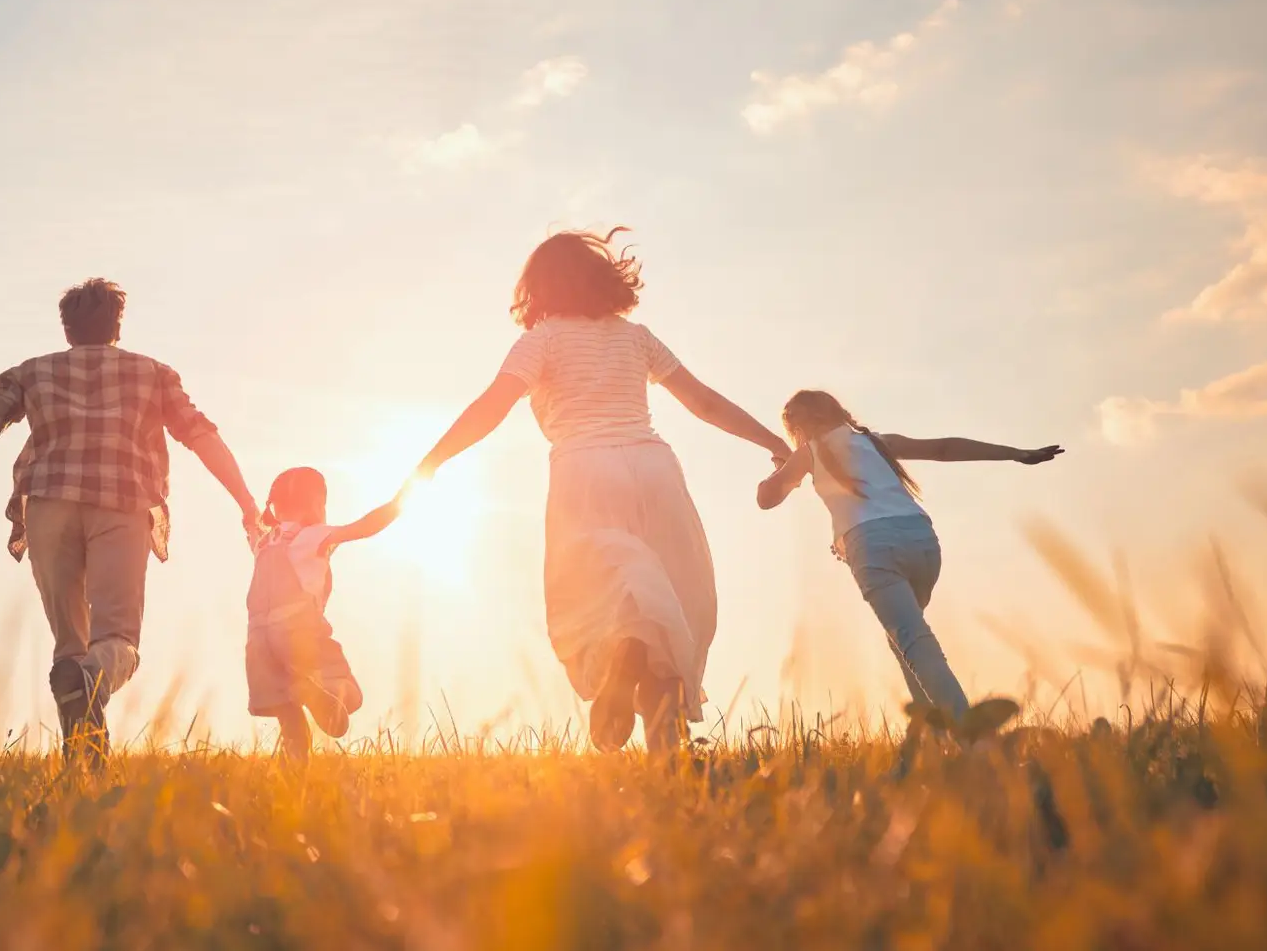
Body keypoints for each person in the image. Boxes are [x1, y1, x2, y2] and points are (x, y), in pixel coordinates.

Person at [413, 229, 789, 753]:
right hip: (655, 468)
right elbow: (703, 402)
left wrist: (432, 462)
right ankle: (667, 755)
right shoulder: (636, 338)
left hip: (584, 469)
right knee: (671, 601)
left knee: (603, 595)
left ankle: (625, 657)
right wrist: (775, 443)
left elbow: (491, 406)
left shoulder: (541, 340)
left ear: (538, 287)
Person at [0, 278, 260, 763]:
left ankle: (84, 761)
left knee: (71, 642)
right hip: (121, 502)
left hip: (48, 506)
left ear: (67, 329)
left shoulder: (30, 373)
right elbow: (201, 436)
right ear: (117, 327)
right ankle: (88, 693)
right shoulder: (153, 373)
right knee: (117, 639)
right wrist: (247, 503)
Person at [756, 389, 1062, 721]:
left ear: (797, 428)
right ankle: (930, 738)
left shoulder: (808, 454)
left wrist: (782, 465)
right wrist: (1017, 453)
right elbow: (943, 448)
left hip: (873, 547)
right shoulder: (875, 441)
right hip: (923, 542)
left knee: (915, 643)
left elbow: (766, 498)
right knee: (904, 641)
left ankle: (974, 742)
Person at [245, 467, 400, 762]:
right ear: (318, 503)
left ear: (275, 507)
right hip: (298, 632)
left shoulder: (264, 541)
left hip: (258, 642)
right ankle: (314, 692)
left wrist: (249, 512)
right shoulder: (313, 534)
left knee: (289, 717)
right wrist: (400, 501)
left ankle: (296, 778)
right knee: (349, 698)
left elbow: (250, 524)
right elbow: (365, 527)